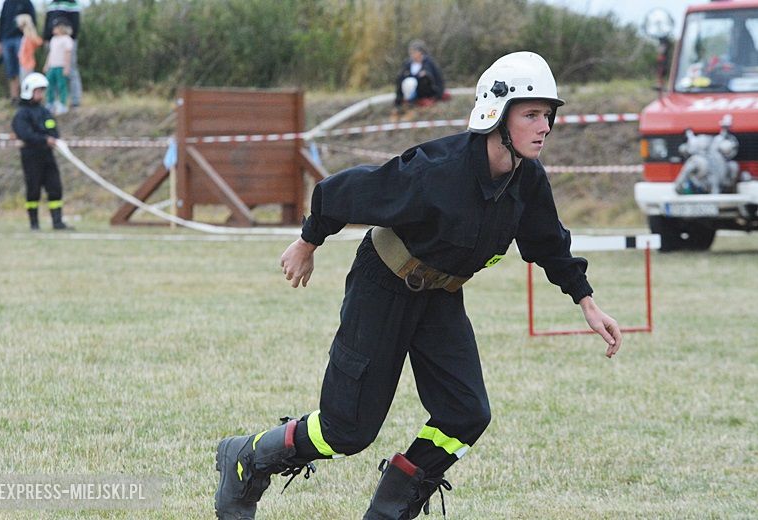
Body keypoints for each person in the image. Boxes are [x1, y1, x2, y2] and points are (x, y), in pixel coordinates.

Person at [213, 52, 622, 520]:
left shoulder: (527, 181)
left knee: (466, 414)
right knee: (346, 431)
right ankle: (247, 458)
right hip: (382, 284)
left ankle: (388, 514)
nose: (544, 126)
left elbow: (549, 243)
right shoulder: (435, 171)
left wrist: (587, 301)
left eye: (548, 115)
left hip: (441, 296)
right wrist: (308, 241)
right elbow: (343, 190)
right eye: (531, 114)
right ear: (496, 113)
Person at [11, 72, 72, 231]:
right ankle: (34, 223)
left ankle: (57, 222)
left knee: (55, 187)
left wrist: (52, 138)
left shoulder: (44, 111)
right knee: (33, 189)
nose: (41, 94)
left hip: (47, 155)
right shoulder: (22, 114)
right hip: (31, 156)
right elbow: (25, 134)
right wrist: (44, 139)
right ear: (29, 91)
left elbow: (53, 128)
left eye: (42, 91)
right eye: (38, 91)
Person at [392, 39, 446, 118]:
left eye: (414, 52)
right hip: (409, 93)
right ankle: (407, 104)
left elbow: (438, 79)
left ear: (420, 52)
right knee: (408, 81)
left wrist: (438, 95)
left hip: (427, 92)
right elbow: (400, 79)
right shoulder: (407, 64)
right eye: (411, 52)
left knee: (423, 78)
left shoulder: (429, 63)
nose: (412, 54)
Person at [43, 1, 82, 108]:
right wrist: (46, 37)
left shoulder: (72, 3)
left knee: (71, 71)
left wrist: (69, 39)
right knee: (52, 78)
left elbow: (76, 24)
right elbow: (47, 22)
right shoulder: (51, 4)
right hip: (53, 42)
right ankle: (53, 102)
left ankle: (74, 100)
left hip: (67, 44)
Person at [0, 0, 36, 104]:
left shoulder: (26, 2)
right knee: (11, 70)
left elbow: (33, 20)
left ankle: (26, 96)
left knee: (23, 68)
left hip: (21, 38)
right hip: (6, 39)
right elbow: (2, 21)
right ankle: (14, 97)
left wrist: (30, 36)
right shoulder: (7, 2)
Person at [42, 19, 73, 115]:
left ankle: (62, 104)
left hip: (61, 66)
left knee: (61, 85)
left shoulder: (67, 39)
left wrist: (67, 67)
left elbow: (68, 54)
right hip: (52, 66)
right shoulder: (53, 39)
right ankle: (50, 103)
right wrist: (46, 65)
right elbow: (50, 53)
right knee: (49, 84)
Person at [16, 13, 43, 84]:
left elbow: (38, 42)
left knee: (27, 82)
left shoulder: (29, 38)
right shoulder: (25, 37)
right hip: (23, 63)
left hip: (27, 64)